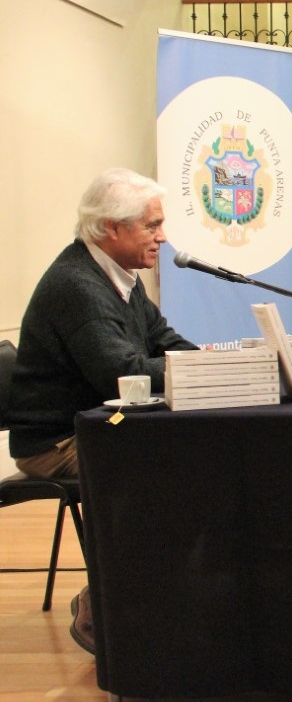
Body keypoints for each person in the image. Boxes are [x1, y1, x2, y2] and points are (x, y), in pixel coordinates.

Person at [7, 167, 198, 655]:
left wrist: (216, 366)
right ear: (110, 227)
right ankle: (107, 603)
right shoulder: (78, 285)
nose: (163, 236)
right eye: (151, 225)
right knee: (170, 469)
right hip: (57, 443)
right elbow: (122, 373)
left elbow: (163, 341)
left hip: (100, 426)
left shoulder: (122, 277)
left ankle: (157, 599)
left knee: (192, 458)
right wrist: (196, 373)